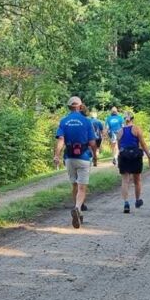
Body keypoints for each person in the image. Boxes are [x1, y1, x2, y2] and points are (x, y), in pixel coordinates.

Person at [54, 96, 97, 228]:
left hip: (69, 158)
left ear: (69, 107)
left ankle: (77, 210)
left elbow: (61, 140)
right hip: (83, 156)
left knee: (74, 185)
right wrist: (95, 155)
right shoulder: (87, 121)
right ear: (80, 106)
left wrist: (56, 155)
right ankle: (78, 208)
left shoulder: (64, 121)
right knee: (82, 187)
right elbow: (92, 142)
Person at [116, 111, 150, 213]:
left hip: (124, 156)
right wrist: (149, 157)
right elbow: (143, 144)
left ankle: (126, 203)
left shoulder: (120, 131)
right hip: (135, 156)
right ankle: (137, 200)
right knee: (137, 180)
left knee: (125, 180)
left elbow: (119, 147)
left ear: (124, 119)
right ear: (133, 119)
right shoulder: (136, 129)